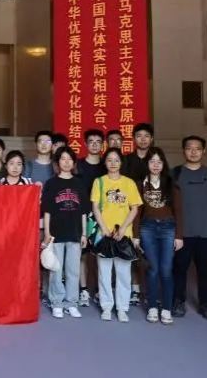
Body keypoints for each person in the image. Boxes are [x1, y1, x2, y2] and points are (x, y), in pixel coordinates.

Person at [172, 135, 207, 321]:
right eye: (189, 148)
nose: (193, 152)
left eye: (197, 148)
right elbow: (168, 203)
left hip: (206, 233)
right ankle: (178, 301)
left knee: (206, 270)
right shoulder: (175, 173)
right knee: (179, 269)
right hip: (181, 233)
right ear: (183, 151)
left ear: (204, 151)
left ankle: (206, 305)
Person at [133, 147, 184, 325]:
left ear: (163, 164)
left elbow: (178, 211)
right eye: (152, 161)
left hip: (168, 228)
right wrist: (135, 235)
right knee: (153, 269)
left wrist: (179, 236)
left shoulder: (171, 184)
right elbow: (136, 212)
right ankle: (152, 307)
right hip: (147, 228)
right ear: (147, 164)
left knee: (166, 270)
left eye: (159, 162)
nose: (155, 165)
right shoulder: (140, 184)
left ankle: (167, 308)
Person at [91, 148, 142, 322]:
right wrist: (104, 228)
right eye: (109, 160)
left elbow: (134, 208)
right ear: (105, 162)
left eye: (116, 160)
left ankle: (122, 308)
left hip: (123, 234)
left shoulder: (129, 183)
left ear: (121, 163)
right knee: (104, 273)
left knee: (123, 274)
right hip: (104, 234)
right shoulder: (99, 182)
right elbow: (95, 207)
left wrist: (123, 228)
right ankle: (106, 306)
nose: (113, 163)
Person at [42, 146, 89, 319]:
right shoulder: (51, 184)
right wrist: (47, 233)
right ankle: (57, 302)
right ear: (57, 162)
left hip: (75, 233)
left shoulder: (79, 183)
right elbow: (47, 211)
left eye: (70, 159)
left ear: (74, 163)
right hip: (56, 233)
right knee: (56, 270)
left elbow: (83, 212)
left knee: (73, 271)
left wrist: (84, 234)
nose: (66, 162)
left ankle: (71, 303)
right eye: (63, 159)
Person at [122, 121, 154, 306]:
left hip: (151, 212)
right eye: (139, 136)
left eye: (146, 136)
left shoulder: (156, 159)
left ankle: (150, 291)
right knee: (132, 252)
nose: (143, 139)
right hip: (130, 211)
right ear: (133, 139)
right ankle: (134, 289)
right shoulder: (126, 160)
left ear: (152, 139)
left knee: (151, 253)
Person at [76, 129, 106, 307]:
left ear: (102, 144)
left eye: (98, 141)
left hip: (103, 215)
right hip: (82, 215)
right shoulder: (77, 165)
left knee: (100, 254)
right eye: (91, 141)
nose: (94, 144)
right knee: (82, 254)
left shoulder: (106, 165)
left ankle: (100, 290)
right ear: (85, 144)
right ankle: (84, 289)